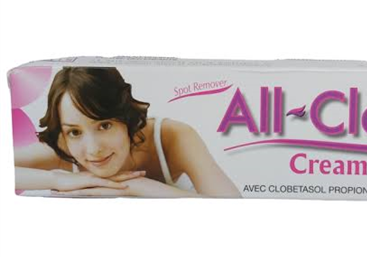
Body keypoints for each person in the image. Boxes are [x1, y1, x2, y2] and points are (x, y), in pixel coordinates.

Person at [14, 67, 241, 198]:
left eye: (104, 125)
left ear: (125, 117)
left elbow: (231, 208)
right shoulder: (65, 149)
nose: (93, 149)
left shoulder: (172, 137)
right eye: (74, 131)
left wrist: (140, 187)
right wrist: (58, 179)